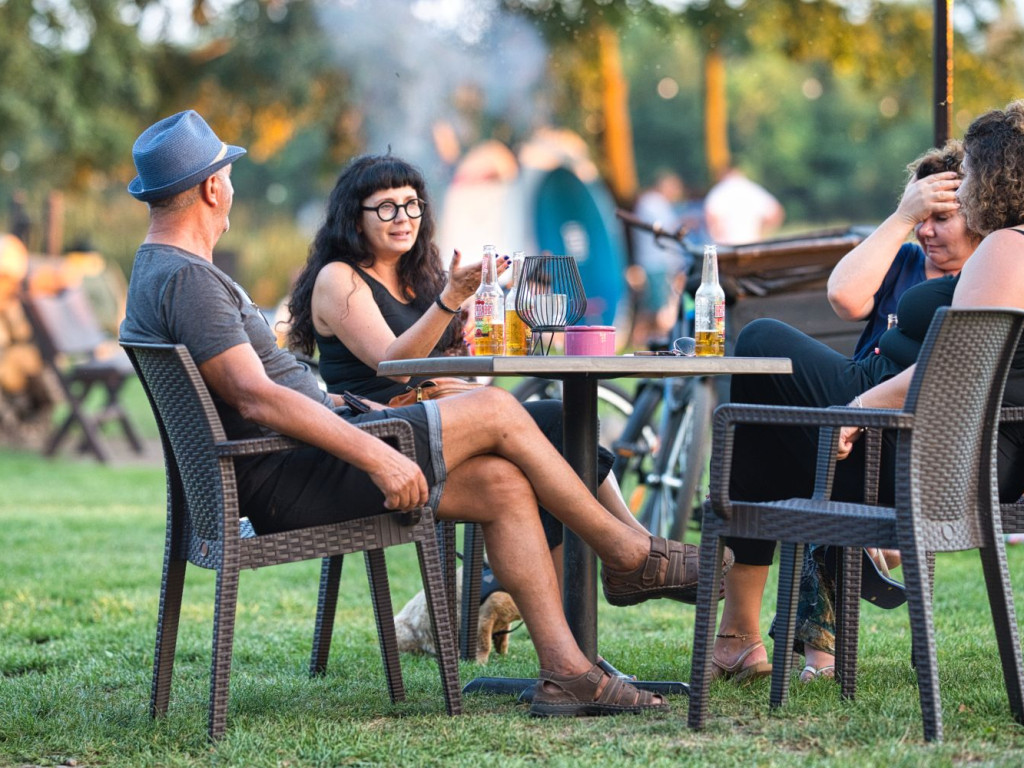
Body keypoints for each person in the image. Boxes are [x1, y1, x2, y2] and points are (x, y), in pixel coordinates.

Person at [119, 110, 730, 718]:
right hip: (293, 473)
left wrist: (344, 404)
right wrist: (376, 454)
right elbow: (255, 396)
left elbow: (266, 392)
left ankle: (568, 672)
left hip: (301, 457)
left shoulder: (160, 270)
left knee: (501, 483)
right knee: (498, 408)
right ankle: (627, 554)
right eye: (229, 176)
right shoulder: (191, 280)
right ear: (213, 187)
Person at [709, 99, 1024, 685]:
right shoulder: (998, 251)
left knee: (759, 350)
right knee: (761, 417)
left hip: (925, 457)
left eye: (970, 178)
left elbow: (956, 369)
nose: (964, 190)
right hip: (940, 449)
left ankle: (738, 631)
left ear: (998, 176)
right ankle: (748, 634)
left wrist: (855, 409)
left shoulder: (1008, 247)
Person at [285, 153, 663, 588]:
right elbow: (393, 365)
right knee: (545, 429)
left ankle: (634, 551)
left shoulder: (418, 275)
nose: (403, 217)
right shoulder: (339, 278)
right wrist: (448, 300)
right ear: (355, 218)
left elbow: (448, 355)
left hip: (439, 416)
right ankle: (635, 555)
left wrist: (483, 314)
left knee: (563, 421)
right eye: (386, 207)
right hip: (383, 432)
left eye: (411, 205)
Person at [828, 140, 982, 361]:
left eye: (941, 218)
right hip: (865, 381)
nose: (925, 230)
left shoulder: (988, 279)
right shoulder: (903, 260)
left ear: (976, 220)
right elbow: (842, 297)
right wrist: (903, 216)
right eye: (920, 218)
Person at [628, 170, 690, 344]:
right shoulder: (653, 202)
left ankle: (648, 341)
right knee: (657, 309)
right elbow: (667, 230)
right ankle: (652, 341)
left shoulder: (654, 202)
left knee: (652, 308)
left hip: (657, 263)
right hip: (655, 263)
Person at [703, 166, 785, 246]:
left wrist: (717, 236)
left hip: (726, 246)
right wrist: (763, 232)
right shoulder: (753, 189)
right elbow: (776, 212)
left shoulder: (718, 192)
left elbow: (710, 218)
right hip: (752, 245)